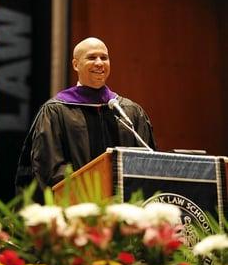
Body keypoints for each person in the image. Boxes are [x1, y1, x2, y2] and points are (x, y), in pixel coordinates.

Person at [15, 37, 156, 200]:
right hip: (78, 210)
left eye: (104, 57)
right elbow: (49, 167)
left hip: (125, 210)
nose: (99, 63)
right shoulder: (56, 111)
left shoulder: (129, 112)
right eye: (91, 57)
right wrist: (89, 195)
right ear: (76, 64)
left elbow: (148, 164)